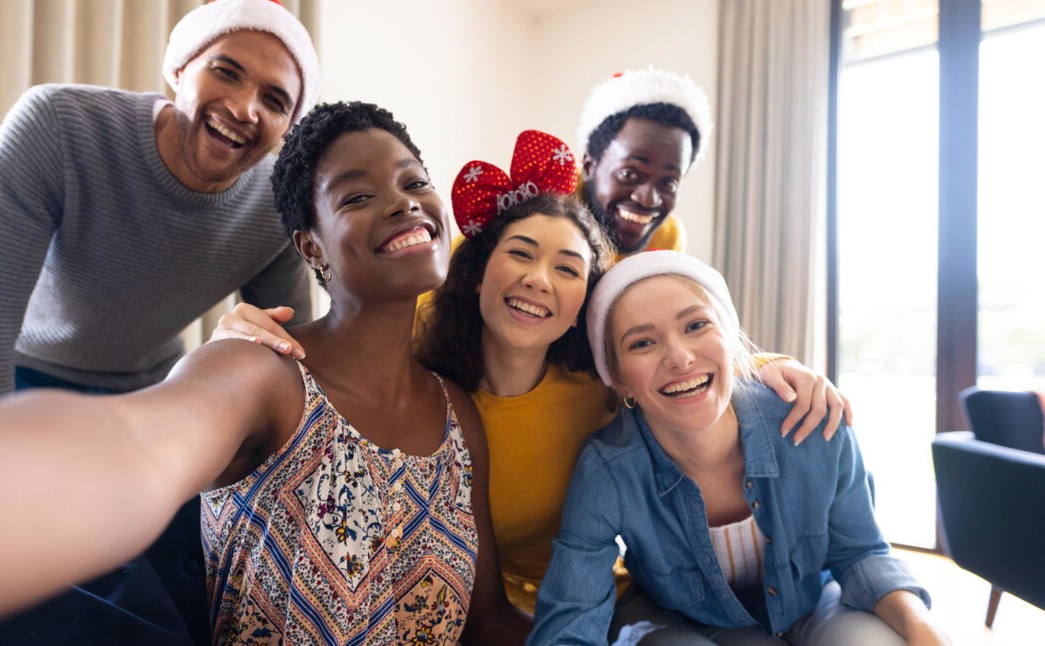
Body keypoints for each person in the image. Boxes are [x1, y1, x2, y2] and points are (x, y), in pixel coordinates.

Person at [0, 99, 530, 645]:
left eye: (414, 182)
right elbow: (128, 446)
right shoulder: (259, 373)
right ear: (310, 246)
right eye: (358, 195)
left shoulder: (457, 414)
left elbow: (488, 623)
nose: (404, 204)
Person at [217, 130, 850, 617]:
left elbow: (687, 362)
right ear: (477, 271)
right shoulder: (418, 377)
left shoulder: (604, 391)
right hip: (461, 612)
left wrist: (781, 367)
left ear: (585, 305)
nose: (538, 280)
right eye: (520, 254)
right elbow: (330, 352)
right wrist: (241, 338)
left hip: (603, 606)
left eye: (569, 269)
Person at [0, 2, 320, 642]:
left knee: (196, 589)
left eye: (275, 100)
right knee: (61, 582)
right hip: (22, 391)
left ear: (285, 127)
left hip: (151, 401)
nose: (247, 106)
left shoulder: (278, 204)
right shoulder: (58, 124)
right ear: (179, 68)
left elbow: (293, 348)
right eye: (227, 71)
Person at [528, 251, 951, 645]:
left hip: (810, 601)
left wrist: (924, 628)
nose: (680, 357)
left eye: (696, 325)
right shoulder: (607, 468)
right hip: (678, 618)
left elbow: (860, 553)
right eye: (642, 343)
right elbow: (572, 615)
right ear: (619, 379)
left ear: (729, 338)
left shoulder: (811, 419)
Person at [577, 66, 710, 254]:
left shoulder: (667, 239)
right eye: (629, 174)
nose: (648, 200)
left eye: (668, 182)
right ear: (589, 166)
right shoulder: (546, 206)